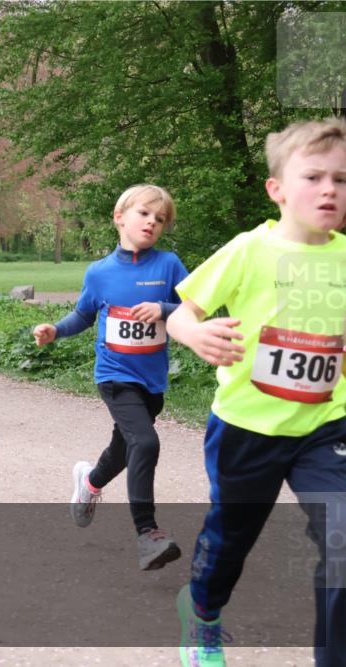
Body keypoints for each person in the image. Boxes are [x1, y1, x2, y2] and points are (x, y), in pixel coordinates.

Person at [166, 117, 346, 667]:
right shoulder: (250, 249)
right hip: (247, 427)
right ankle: (203, 612)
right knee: (231, 539)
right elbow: (181, 314)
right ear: (278, 189)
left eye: (342, 180)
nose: (330, 190)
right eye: (313, 177)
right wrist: (196, 334)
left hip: (327, 427)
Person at [32, 184, 188, 571]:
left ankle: (89, 483)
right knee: (145, 442)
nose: (152, 222)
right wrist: (55, 330)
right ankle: (147, 534)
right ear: (120, 217)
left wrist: (164, 308)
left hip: (152, 381)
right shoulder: (100, 272)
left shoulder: (168, 265)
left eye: (160, 219)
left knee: (125, 447)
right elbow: (84, 314)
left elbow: (193, 309)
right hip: (115, 376)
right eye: (144, 214)